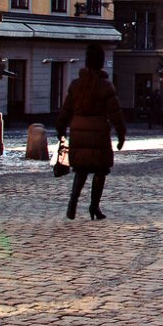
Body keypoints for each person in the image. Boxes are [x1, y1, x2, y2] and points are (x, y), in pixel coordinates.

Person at [58, 44, 127, 220]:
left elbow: (66, 110)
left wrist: (60, 129)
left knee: (81, 170)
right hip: (98, 133)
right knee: (100, 171)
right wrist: (121, 134)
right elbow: (115, 113)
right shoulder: (106, 86)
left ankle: (72, 204)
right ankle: (94, 207)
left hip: (78, 131)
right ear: (101, 63)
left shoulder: (76, 85)